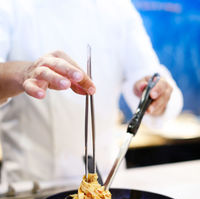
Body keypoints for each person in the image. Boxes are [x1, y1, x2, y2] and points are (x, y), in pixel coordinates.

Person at [0, 0, 183, 187]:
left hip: (107, 182)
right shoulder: (10, 5)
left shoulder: (117, 7)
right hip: (29, 186)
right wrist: (25, 73)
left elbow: (148, 73)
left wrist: (156, 93)